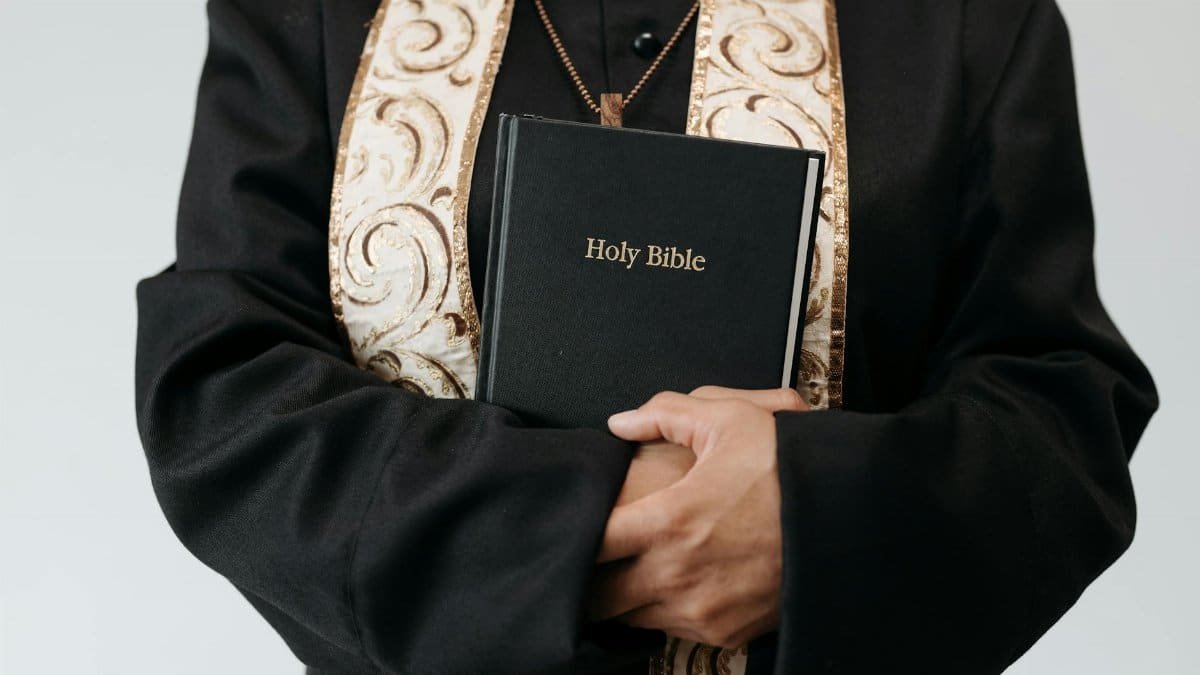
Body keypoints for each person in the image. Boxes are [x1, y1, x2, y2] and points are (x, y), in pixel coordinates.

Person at [134, 0, 1158, 673]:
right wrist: (575, 518)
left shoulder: (969, 21)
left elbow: (1059, 418)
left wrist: (816, 512)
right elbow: (220, 385)